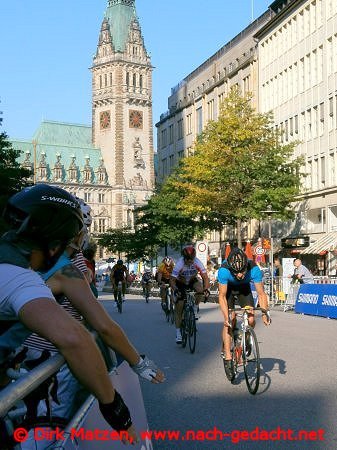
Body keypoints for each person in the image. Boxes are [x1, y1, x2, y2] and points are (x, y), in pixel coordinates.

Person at [0, 184, 137, 443]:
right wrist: (117, 411)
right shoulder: (21, 279)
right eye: (68, 244)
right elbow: (76, 339)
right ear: (54, 246)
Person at [20, 223, 164, 449]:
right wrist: (139, 362)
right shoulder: (66, 271)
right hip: (52, 362)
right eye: (80, 230)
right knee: (47, 430)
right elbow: (104, 326)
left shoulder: (23, 263)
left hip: (21, 355)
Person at [217, 247, 271, 381]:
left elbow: (261, 294)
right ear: (231, 268)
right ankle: (228, 357)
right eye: (237, 272)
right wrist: (226, 318)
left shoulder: (254, 269)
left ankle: (245, 338)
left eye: (242, 271)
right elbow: (222, 296)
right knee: (230, 319)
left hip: (244, 290)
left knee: (251, 319)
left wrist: (264, 313)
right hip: (228, 290)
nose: (240, 275)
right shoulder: (223, 270)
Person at [170, 245, 210, 344]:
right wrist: (175, 289)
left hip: (192, 280)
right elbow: (172, 280)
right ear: (184, 258)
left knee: (200, 290)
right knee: (179, 307)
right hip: (181, 283)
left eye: (191, 259)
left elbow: (205, 277)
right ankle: (178, 333)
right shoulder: (179, 264)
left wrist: (206, 289)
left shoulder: (197, 262)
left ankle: (195, 307)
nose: (189, 261)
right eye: (187, 259)